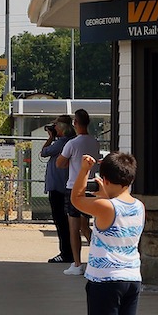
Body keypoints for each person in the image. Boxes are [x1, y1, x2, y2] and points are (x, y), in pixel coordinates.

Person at [70, 151, 144, 315]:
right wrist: (105, 194)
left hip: (104, 281)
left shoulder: (105, 206)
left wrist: (82, 171)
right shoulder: (138, 206)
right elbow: (112, 217)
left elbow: (76, 199)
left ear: (106, 178)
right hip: (131, 279)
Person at [57, 108, 100, 276]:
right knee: (86, 225)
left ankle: (77, 264)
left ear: (75, 123)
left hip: (74, 187)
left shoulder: (72, 143)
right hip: (90, 187)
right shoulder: (94, 142)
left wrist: (69, 160)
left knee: (73, 227)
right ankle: (96, 258)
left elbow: (60, 163)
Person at [40, 115, 74, 264]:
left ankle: (65, 253)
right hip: (63, 185)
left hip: (58, 187)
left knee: (61, 222)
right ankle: (68, 252)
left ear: (62, 127)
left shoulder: (61, 143)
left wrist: (50, 137)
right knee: (66, 222)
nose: (54, 128)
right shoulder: (69, 142)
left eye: (56, 125)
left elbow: (44, 152)